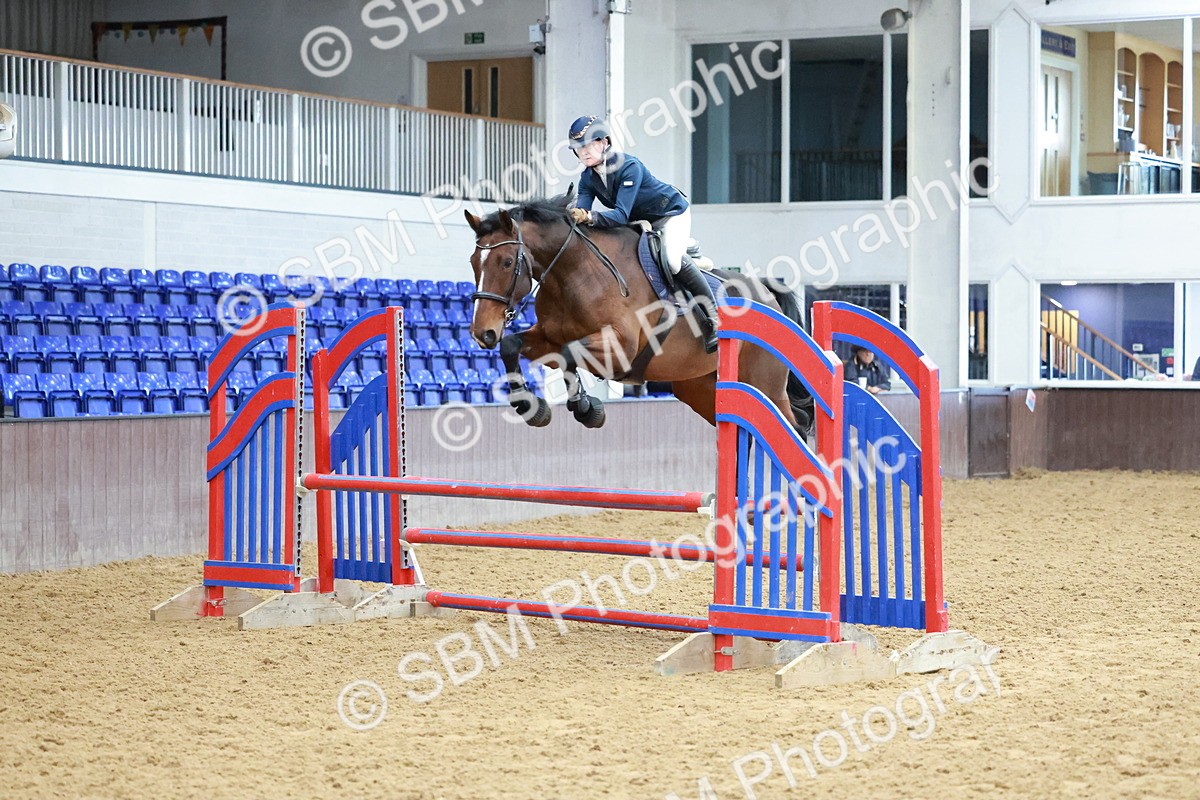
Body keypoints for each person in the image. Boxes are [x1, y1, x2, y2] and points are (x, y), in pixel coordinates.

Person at [566, 114, 719, 353]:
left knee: (673, 262)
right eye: (578, 148)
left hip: (670, 215)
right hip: (644, 222)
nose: (583, 152)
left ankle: (714, 317)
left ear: (604, 143)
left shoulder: (629, 167)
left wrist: (589, 217)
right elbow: (582, 212)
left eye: (588, 144)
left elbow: (619, 216)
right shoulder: (587, 177)